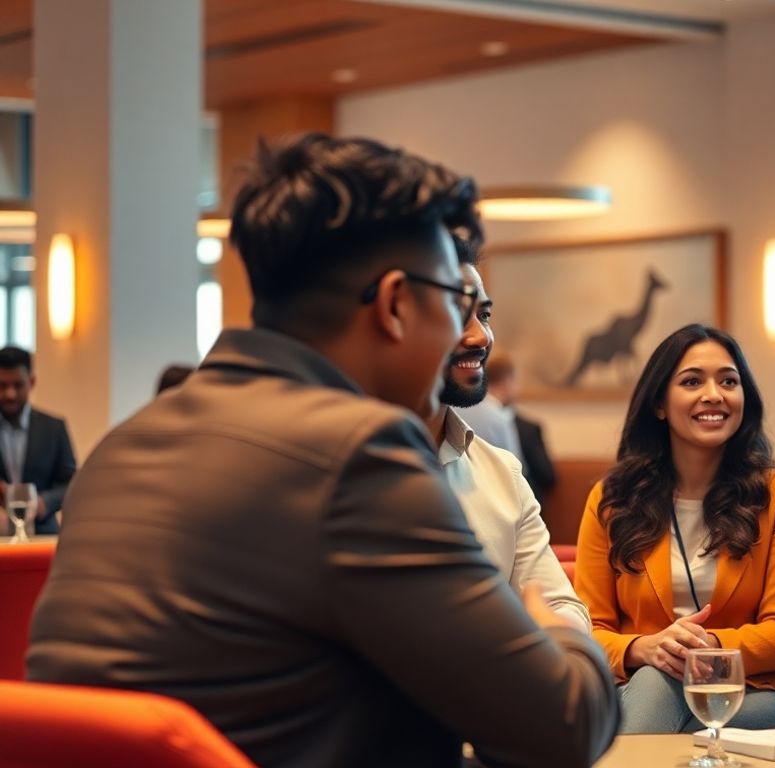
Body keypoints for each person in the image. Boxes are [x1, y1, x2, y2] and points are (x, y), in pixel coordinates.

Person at [27, 134, 619, 768]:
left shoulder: (126, 443)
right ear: (395, 304)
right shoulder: (358, 456)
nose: (466, 332)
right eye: (455, 301)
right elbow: (564, 727)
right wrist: (553, 629)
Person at [575, 324, 775, 733]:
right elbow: (587, 628)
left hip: (748, 692)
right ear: (660, 404)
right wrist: (644, 647)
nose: (714, 394)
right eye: (692, 381)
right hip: (641, 683)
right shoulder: (612, 499)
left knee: (667, 707)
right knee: (657, 681)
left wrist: (708, 648)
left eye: (728, 381)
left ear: (743, 398)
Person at [426, 245, 588, 630]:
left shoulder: (502, 472)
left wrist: (555, 637)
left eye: (483, 315)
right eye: (457, 315)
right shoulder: (333, 467)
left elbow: (563, 604)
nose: (480, 337)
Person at [0, 346, 76, 535]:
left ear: (31, 382)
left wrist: (43, 503)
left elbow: (71, 483)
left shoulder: (53, 428)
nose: (10, 394)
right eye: (2, 385)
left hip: (43, 533)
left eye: (18, 385)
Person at [470, 354, 558, 505]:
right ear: (507, 381)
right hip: (512, 502)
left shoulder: (463, 413)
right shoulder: (515, 424)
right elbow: (542, 476)